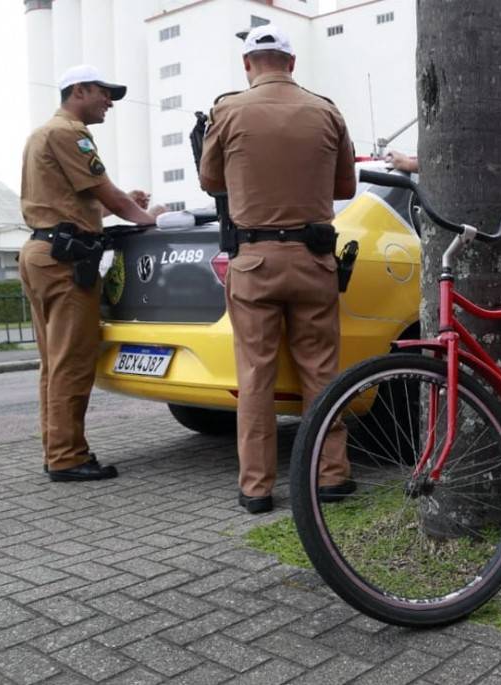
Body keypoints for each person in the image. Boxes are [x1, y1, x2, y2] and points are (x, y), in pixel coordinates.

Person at [200, 25, 356, 514]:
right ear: (290, 63)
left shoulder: (227, 110)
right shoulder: (326, 110)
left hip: (255, 260)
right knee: (322, 372)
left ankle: (256, 487)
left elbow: (210, 181)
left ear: (248, 65)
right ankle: (331, 475)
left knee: (255, 377)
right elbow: (347, 187)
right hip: (313, 260)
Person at [20, 64, 164, 482]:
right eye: (104, 94)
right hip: (65, 261)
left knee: (53, 362)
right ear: (79, 90)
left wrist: (117, 203)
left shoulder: (42, 134)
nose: (110, 103)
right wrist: (150, 217)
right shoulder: (71, 134)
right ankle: (68, 457)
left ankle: (57, 450)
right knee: (73, 362)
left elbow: (71, 203)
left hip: (42, 251)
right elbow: (111, 198)